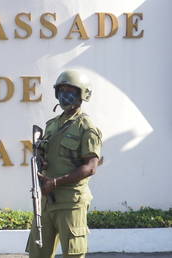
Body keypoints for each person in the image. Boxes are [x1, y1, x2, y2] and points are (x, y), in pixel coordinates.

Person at [26, 70, 103, 258]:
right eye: (61, 90)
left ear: (82, 94)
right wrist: (39, 158)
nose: (64, 95)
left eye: (70, 91)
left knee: (73, 254)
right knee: (38, 253)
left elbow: (91, 166)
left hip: (71, 202)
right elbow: (45, 154)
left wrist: (55, 182)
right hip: (46, 201)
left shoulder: (87, 127)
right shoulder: (52, 125)